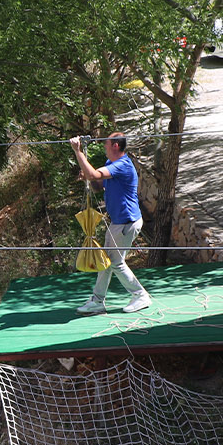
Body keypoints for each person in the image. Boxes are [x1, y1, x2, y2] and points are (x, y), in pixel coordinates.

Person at [69, 134, 152, 315]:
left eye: (106, 143)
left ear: (115, 145)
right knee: (105, 261)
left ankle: (140, 295)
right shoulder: (110, 163)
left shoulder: (123, 165)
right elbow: (98, 184)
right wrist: (87, 178)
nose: (104, 145)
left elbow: (93, 174)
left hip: (126, 223)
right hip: (118, 223)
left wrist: (78, 151)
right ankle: (98, 301)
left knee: (115, 262)